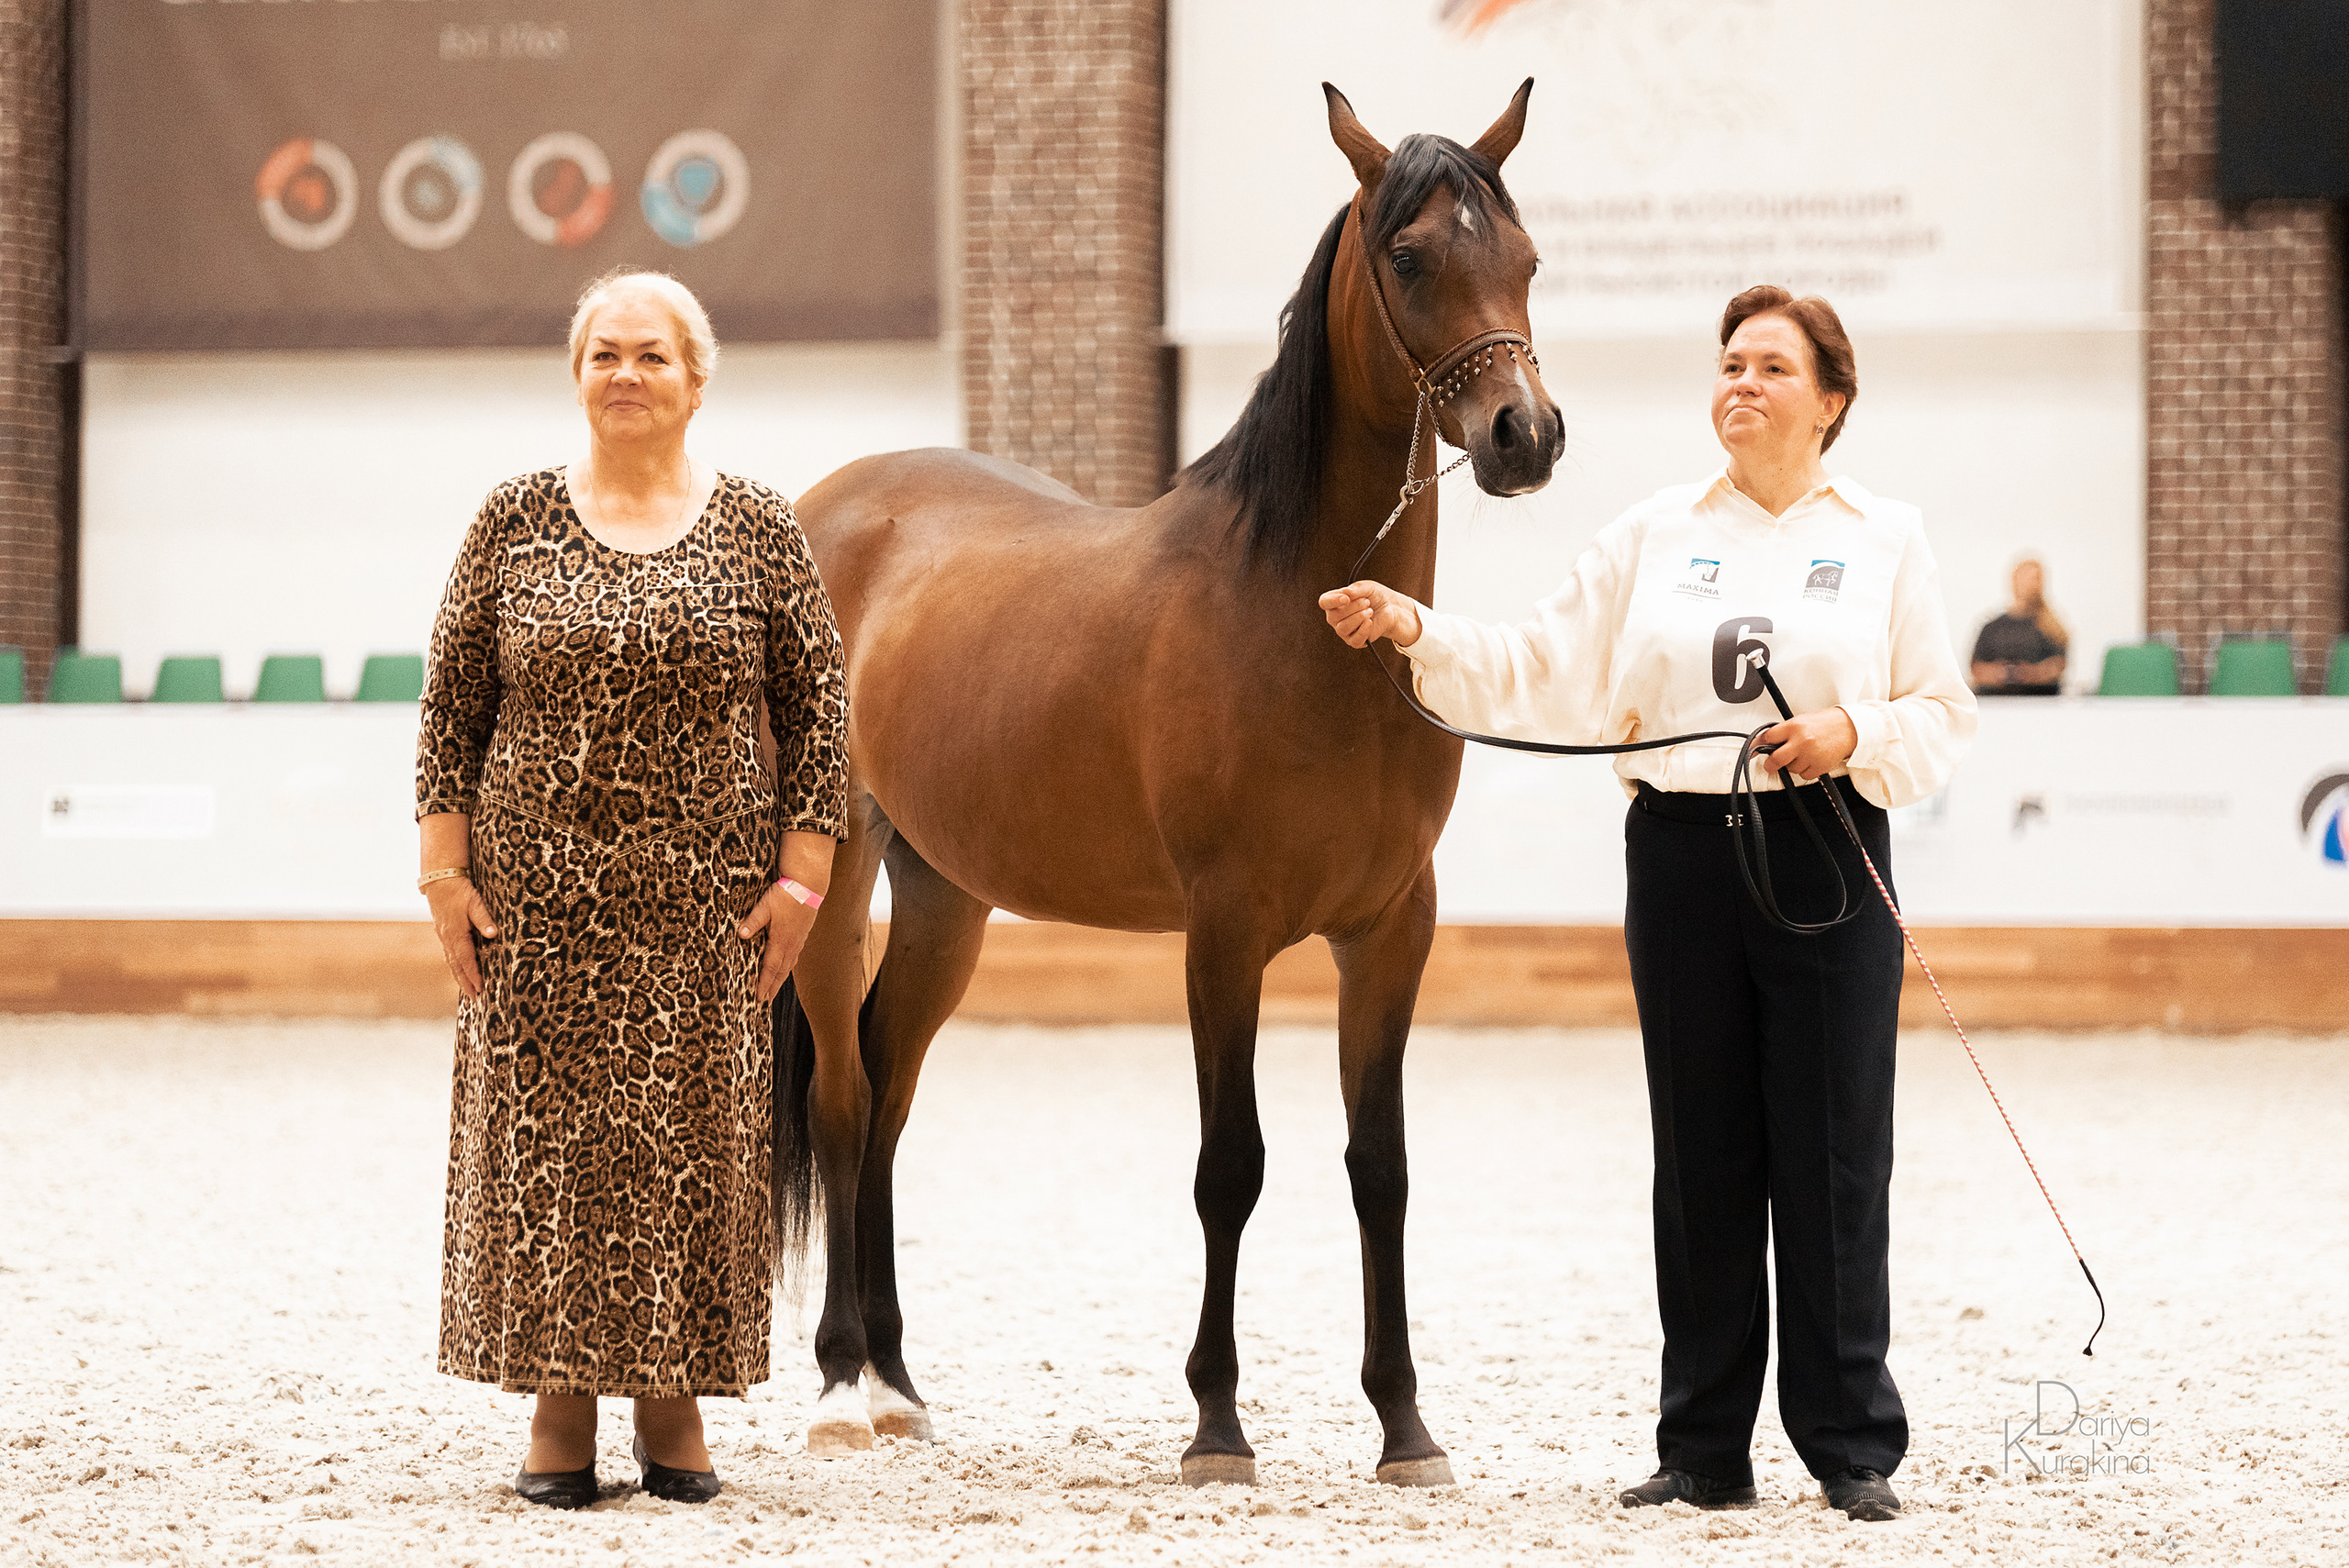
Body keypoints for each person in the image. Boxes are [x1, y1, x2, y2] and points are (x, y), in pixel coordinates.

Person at [1319, 285, 1976, 1522]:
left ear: (1831, 400)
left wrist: (1853, 727)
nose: (1743, 382)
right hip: (1680, 851)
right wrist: (1418, 627)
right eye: (1730, 362)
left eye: (1773, 367)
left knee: (1833, 1151)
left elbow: (1941, 719)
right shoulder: (1653, 533)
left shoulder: (1888, 536)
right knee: (1702, 1152)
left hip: (1828, 845)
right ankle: (1703, 1447)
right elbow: (1538, 664)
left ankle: (1850, 1444)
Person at [414, 268, 849, 1509]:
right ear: (577, 376)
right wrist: (445, 873)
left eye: (652, 355)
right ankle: (557, 1405)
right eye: (605, 354)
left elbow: (820, 709)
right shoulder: (513, 520)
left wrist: (804, 880)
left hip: (704, 902)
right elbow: (452, 704)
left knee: (691, 1149)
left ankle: (673, 1401)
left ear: (697, 380)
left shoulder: (762, 525)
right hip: (532, 904)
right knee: (549, 1150)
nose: (626, 374)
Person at [1970, 559, 2068, 694]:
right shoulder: (1992, 628)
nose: (2029, 584)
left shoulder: (2052, 628)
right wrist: (2001, 674)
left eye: (2034, 578)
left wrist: (2027, 674)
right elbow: (1977, 669)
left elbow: (2057, 667)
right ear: (2014, 580)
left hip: (2040, 703)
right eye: (2025, 577)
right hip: (1996, 703)